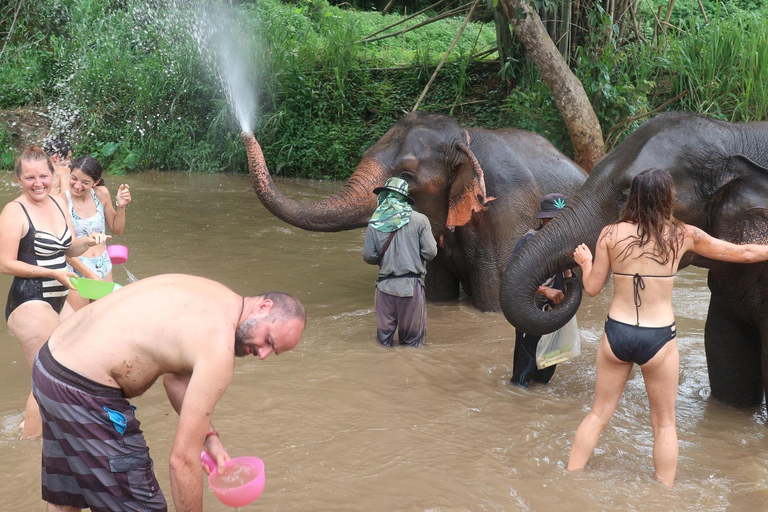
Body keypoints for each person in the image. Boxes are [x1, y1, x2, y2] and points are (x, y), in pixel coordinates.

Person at [31, 273, 306, 511]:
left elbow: (175, 380)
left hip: (49, 367)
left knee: (67, 496)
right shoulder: (218, 346)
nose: (263, 354)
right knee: (143, 504)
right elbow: (182, 460)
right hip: (83, 390)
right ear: (263, 307)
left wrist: (210, 439)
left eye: (274, 352)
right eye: (267, 340)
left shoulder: (216, 295)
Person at [567, 168, 768, 487]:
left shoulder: (609, 234)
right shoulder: (683, 235)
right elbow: (742, 253)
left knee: (598, 414)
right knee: (664, 425)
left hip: (617, 333)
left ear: (633, 196)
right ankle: (663, 497)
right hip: (658, 338)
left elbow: (592, 288)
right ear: (668, 198)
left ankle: (569, 479)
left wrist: (585, 262)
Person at [0, 146, 109, 439]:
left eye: (43, 176)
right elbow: (5, 263)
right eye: (30, 177)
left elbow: (68, 248)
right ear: (19, 179)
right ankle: (29, 450)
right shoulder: (14, 211)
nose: (38, 183)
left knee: (77, 365)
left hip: (57, 298)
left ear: (52, 174)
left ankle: (38, 426)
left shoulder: (60, 202)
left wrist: (88, 242)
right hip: (29, 303)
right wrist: (52, 273)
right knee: (47, 381)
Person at [363, 177, 437, 347]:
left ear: (385, 196)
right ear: (404, 198)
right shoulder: (420, 220)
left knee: (382, 343)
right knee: (412, 344)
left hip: (384, 288)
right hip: (411, 289)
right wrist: (411, 254)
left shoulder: (375, 222)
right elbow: (431, 251)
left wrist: (386, 259)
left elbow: (368, 256)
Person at [511, 193, 572, 387]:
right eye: (553, 219)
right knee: (523, 372)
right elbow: (512, 279)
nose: (557, 224)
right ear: (543, 218)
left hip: (553, 314)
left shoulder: (564, 242)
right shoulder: (529, 241)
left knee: (547, 369)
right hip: (530, 312)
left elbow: (570, 278)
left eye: (561, 220)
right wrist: (544, 290)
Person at [63, 155, 132, 312]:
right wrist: (91, 276)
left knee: (104, 320)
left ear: (95, 182)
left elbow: (117, 229)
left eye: (85, 182)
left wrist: (121, 206)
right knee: (78, 321)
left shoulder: (101, 194)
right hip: (76, 269)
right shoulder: (62, 201)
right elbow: (66, 250)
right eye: (74, 178)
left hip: (103, 265)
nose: (77, 185)